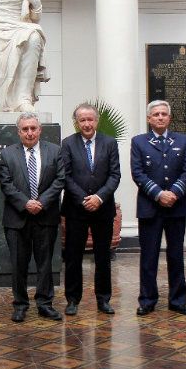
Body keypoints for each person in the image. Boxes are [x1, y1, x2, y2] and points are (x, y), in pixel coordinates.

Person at [0, 112, 65, 322]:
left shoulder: (55, 151)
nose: (29, 133)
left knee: (45, 263)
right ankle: (20, 304)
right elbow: (6, 184)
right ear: (18, 132)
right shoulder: (8, 154)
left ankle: (45, 304)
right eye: (25, 129)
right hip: (17, 219)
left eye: (33, 128)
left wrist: (42, 202)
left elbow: (60, 180)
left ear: (40, 130)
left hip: (45, 216)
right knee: (18, 264)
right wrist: (25, 203)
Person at [131, 100, 186, 316]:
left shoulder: (182, 140)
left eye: (164, 114)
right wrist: (159, 194)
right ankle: (148, 300)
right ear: (149, 118)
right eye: (156, 114)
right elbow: (137, 173)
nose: (160, 117)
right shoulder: (139, 142)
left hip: (175, 208)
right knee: (149, 256)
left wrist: (173, 193)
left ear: (169, 117)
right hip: (150, 207)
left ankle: (178, 300)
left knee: (176, 256)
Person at [59, 103, 120, 316]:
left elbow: (115, 175)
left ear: (97, 120)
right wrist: (84, 198)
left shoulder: (109, 143)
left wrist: (99, 197)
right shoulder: (67, 144)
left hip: (103, 209)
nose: (87, 123)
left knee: (103, 257)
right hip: (77, 209)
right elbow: (65, 176)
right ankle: (73, 300)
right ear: (77, 122)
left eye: (90, 119)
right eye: (82, 120)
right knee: (73, 257)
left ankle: (103, 300)